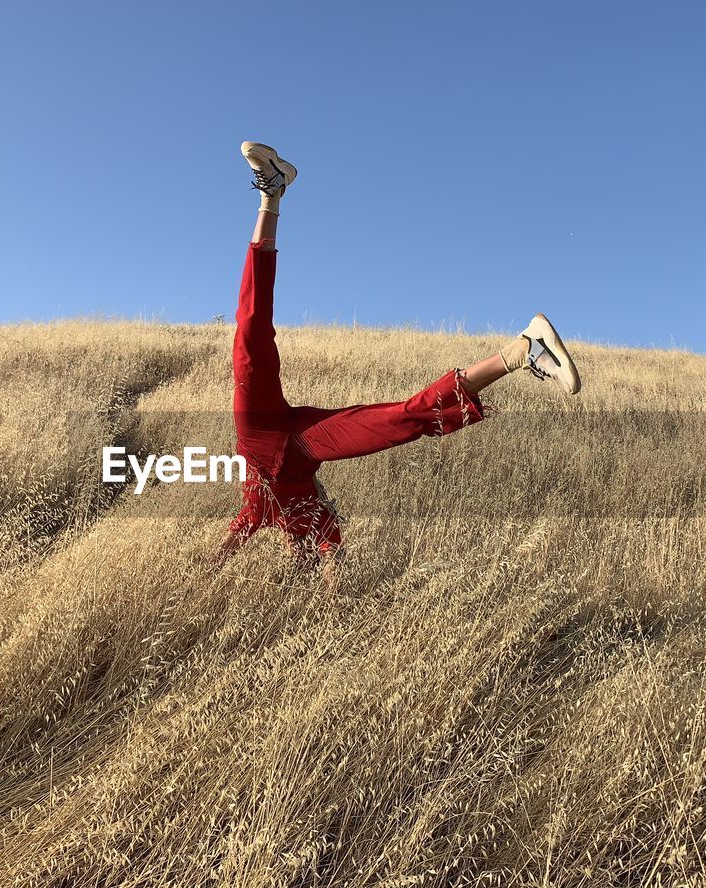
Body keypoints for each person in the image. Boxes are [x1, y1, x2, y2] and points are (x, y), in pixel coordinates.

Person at [218, 142, 580, 575]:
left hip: (259, 432)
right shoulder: (311, 515)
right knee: (404, 419)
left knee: (251, 332)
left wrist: (209, 571)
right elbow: (331, 548)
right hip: (303, 441)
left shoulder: (265, 511)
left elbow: (241, 531)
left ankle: (271, 194)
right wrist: (324, 587)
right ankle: (521, 350)